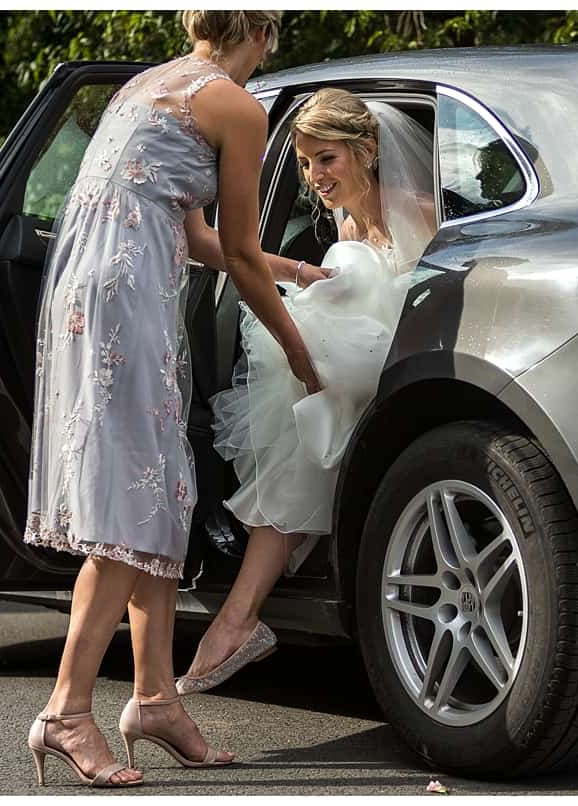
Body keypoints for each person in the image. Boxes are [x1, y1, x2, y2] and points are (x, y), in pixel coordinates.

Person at [22, 11, 322, 788]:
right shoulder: (236, 107)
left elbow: (201, 239)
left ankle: (155, 699)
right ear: (263, 32)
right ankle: (65, 711)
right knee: (131, 504)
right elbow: (240, 253)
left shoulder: (145, 86)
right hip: (127, 299)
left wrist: (294, 271)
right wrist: (300, 352)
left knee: (156, 493)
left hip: (92, 292)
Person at [176, 88, 437, 694]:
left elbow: (429, 306)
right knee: (299, 430)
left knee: (300, 433)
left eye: (327, 158)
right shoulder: (347, 222)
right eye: (305, 163)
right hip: (350, 379)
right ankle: (238, 618)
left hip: (402, 375)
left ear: (367, 150)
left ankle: (237, 619)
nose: (315, 176)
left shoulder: (418, 212)